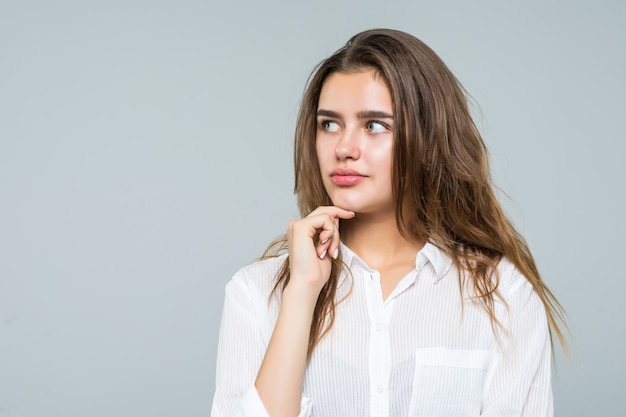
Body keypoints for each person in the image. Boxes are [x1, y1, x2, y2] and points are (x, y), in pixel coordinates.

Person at [210, 28, 567, 417]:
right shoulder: (255, 294)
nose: (344, 148)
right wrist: (301, 293)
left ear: (429, 141)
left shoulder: (505, 296)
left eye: (375, 125)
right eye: (329, 124)